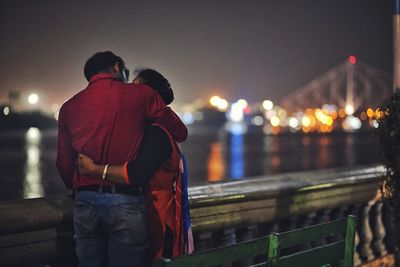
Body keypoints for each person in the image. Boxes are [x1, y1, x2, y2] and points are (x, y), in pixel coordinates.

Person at [56, 52, 188, 267]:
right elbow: (179, 131)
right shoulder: (140, 95)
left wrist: (81, 186)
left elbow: (64, 163)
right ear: (117, 67)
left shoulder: (69, 106)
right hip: (125, 200)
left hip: (85, 202)